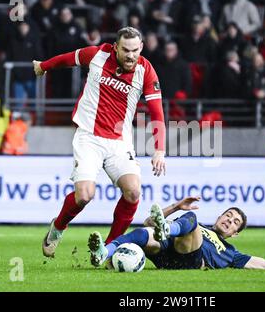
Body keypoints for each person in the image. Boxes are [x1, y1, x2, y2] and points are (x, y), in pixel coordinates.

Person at [33, 27, 167, 258]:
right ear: (116, 47)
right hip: (89, 137)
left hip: (120, 143)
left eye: (135, 50)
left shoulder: (146, 71)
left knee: (133, 192)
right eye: (125, 50)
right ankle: (57, 228)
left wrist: (160, 150)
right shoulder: (96, 55)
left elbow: (157, 113)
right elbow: (68, 59)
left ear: (141, 48)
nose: (130, 55)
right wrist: (43, 66)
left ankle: (108, 248)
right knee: (84, 196)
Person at [88, 196, 265, 271]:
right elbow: (150, 221)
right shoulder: (200, 224)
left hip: (190, 259)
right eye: (228, 215)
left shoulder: (231, 252)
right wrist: (175, 208)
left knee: (191, 221)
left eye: (234, 223)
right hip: (167, 252)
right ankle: (103, 253)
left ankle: (168, 228)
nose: (228, 221)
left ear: (235, 233)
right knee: (143, 232)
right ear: (219, 216)